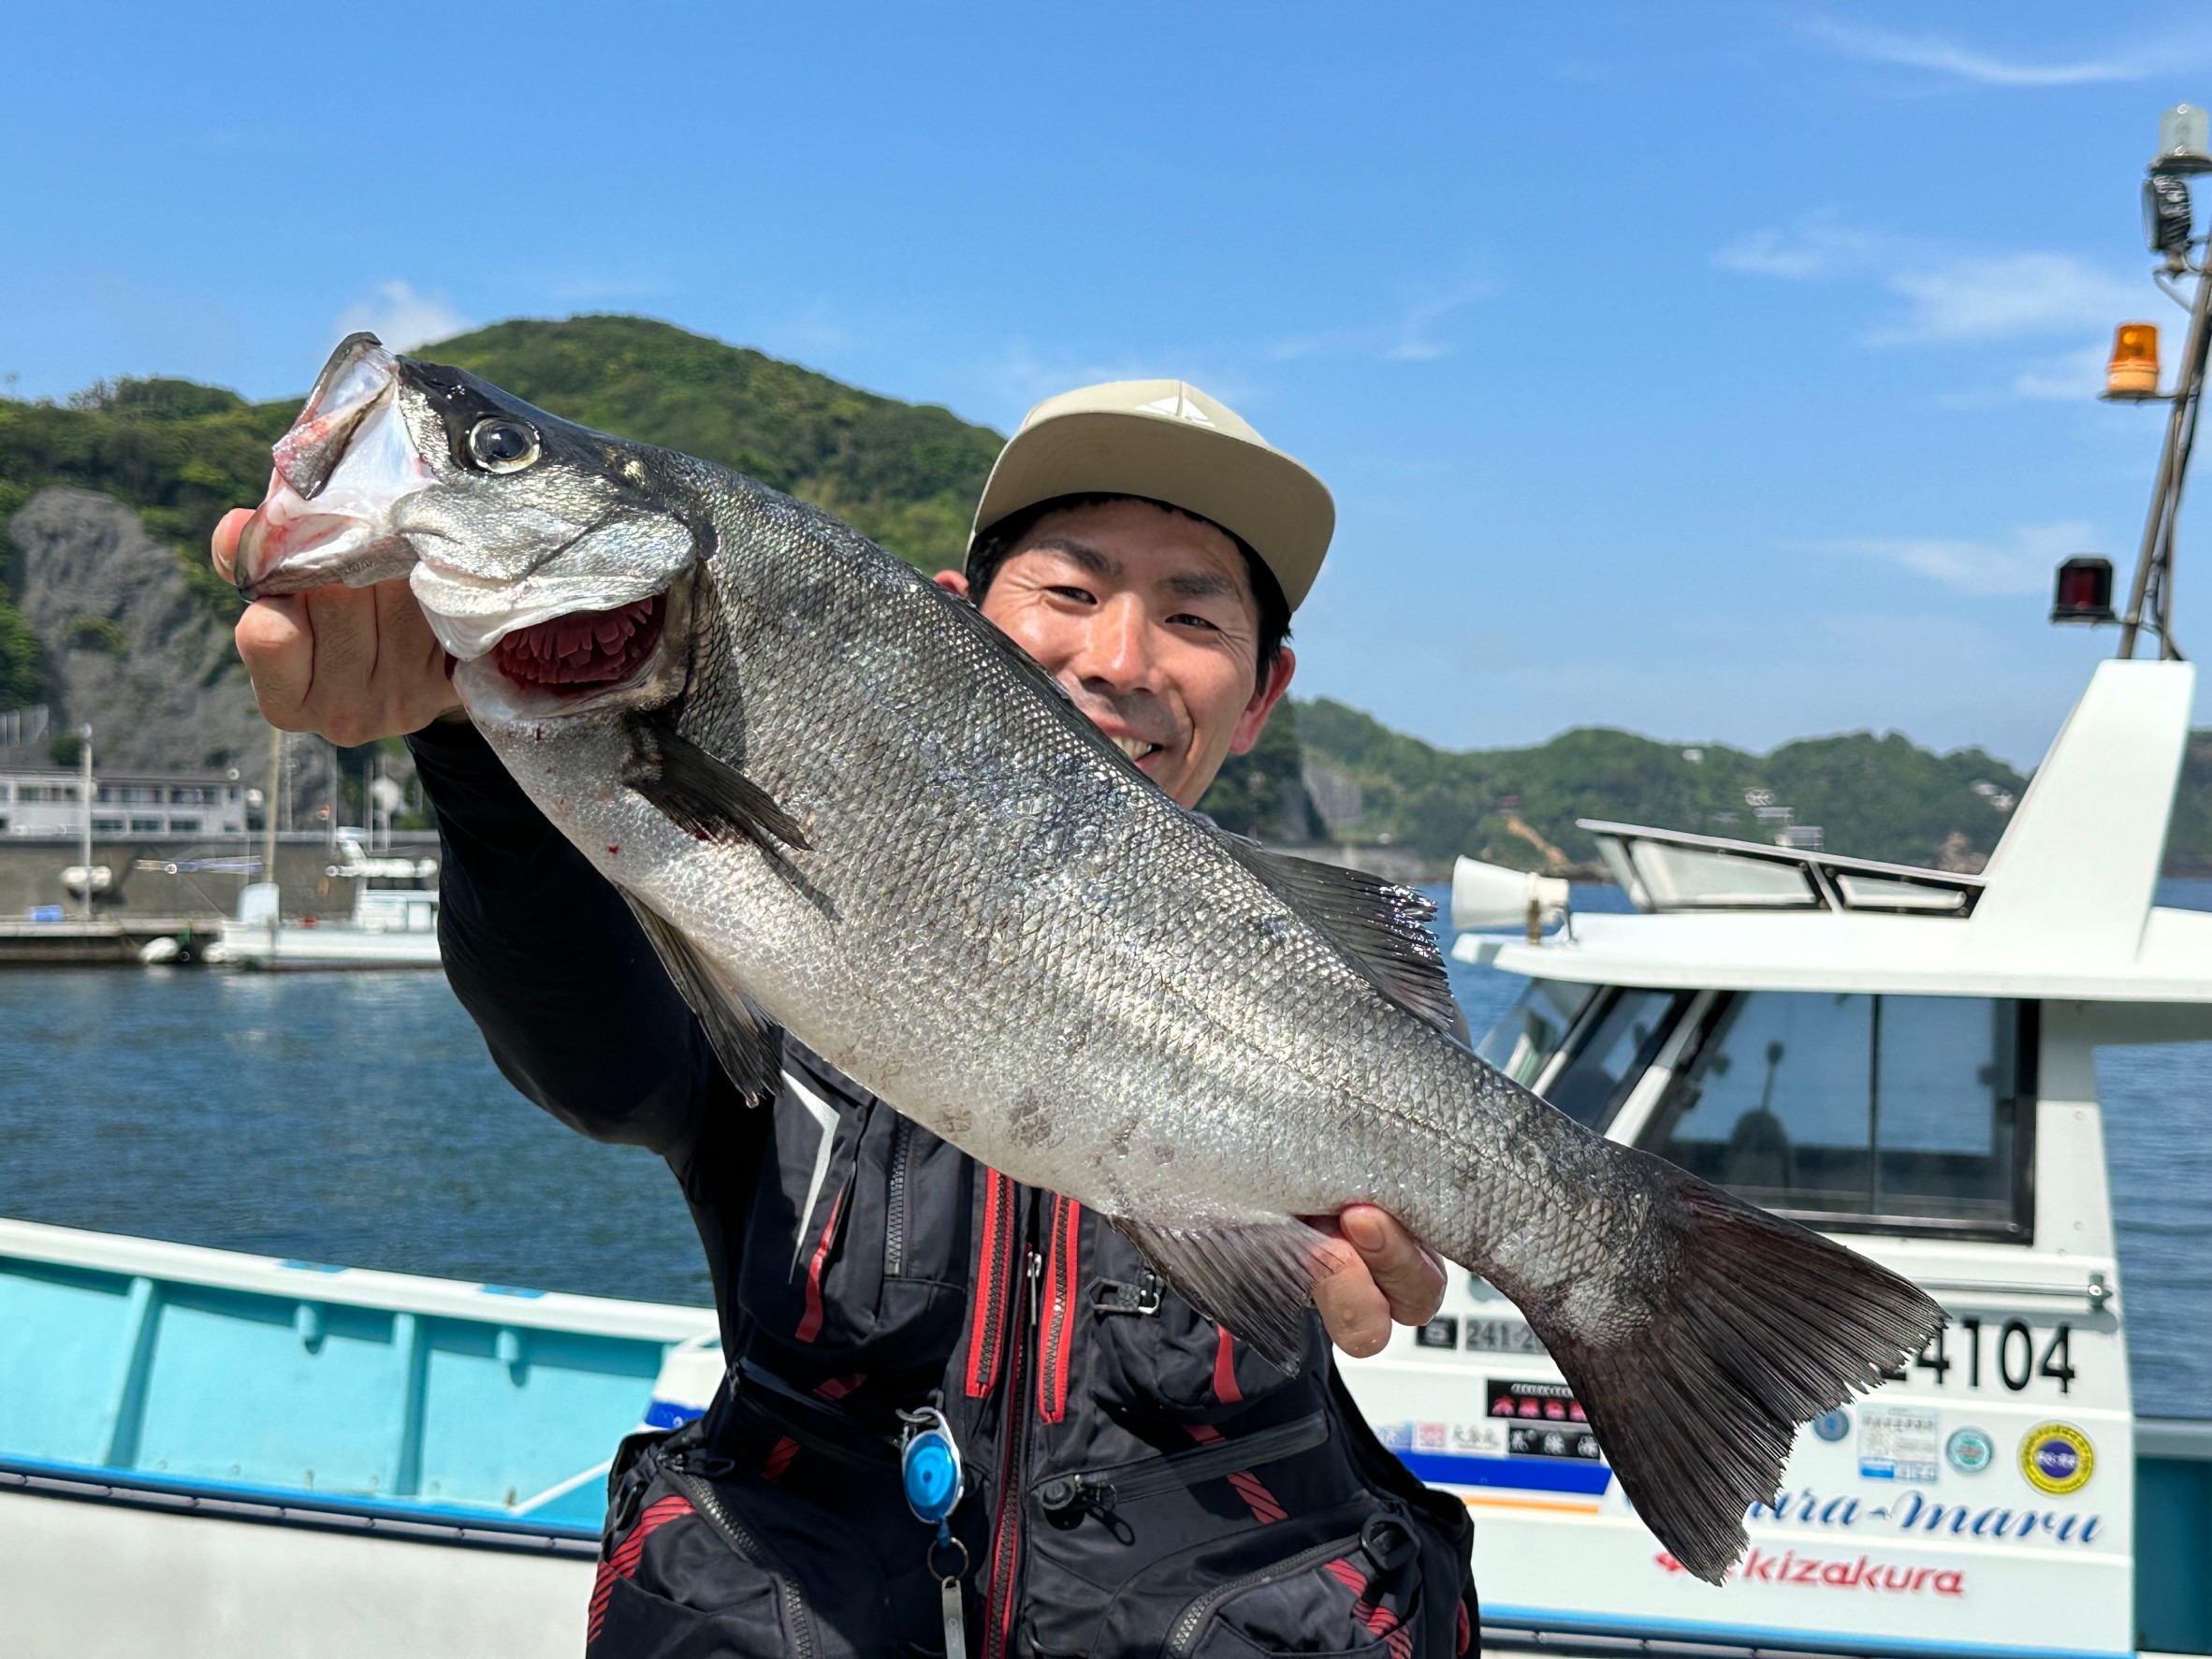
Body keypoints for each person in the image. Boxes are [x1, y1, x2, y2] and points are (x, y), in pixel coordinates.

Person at [214, 377, 1478, 1656]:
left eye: (1194, 615)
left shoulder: (1319, 994)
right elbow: (600, 1061)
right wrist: (471, 749)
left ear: (1262, 694)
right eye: (1070, 589)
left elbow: (1409, 1234)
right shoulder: (778, 906)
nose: (1117, 658)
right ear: (952, 625)